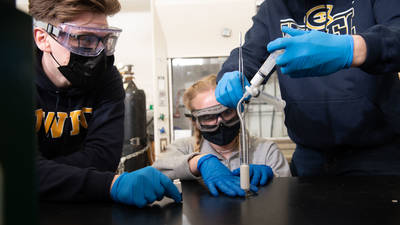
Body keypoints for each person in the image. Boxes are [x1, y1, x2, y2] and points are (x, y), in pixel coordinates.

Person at [215, 0, 400, 176]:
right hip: (310, 157)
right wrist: (233, 72)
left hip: (378, 154)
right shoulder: (273, 8)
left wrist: (352, 48)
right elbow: (249, 53)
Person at [30, 0, 181, 207]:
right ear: (43, 39)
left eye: (105, 39)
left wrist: (42, 171)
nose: (98, 52)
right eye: (84, 39)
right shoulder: (13, 80)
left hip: (85, 205)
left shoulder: (107, 78)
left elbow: (103, 159)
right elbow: (16, 173)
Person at [153, 74, 291, 197]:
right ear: (195, 121)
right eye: (208, 117)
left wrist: (273, 178)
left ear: (239, 111)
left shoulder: (266, 150)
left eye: (227, 112)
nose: (220, 122)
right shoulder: (183, 148)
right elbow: (155, 175)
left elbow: (287, 197)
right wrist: (198, 162)